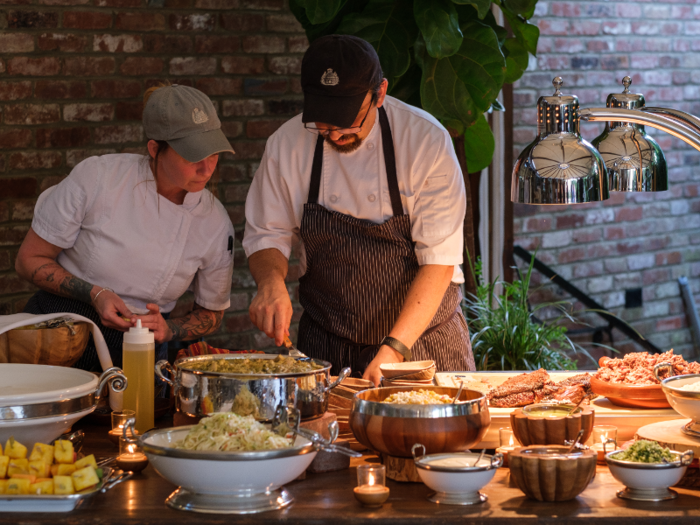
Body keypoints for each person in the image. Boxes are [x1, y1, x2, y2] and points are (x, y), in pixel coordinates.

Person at [243, 35, 475, 386]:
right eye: (323, 122)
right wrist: (271, 281)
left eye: (347, 121)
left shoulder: (425, 140)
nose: (334, 134)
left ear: (379, 94)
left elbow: (439, 262)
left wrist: (393, 349)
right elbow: (266, 233)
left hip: (423, 346)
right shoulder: (286, 145)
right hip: (328, 346)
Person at [15, 84, 235, 370]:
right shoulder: (99, 179)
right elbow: (27, 260)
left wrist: (170, 330)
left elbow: (211, 312)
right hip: (56, 339)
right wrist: (95, 293)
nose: (207, 169)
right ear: (155, 149)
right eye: (193, 157)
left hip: (139, 353)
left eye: (213, 154)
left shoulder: (215, 223)